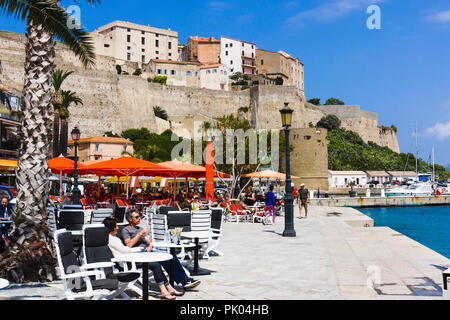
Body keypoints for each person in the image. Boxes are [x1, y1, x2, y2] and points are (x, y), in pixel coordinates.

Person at [103, 218, 182, 300]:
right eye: (115, 226)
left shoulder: (107, 238)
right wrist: (137, 250)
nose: (117, 228)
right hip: (127, 263)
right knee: (156, 265)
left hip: (126, 260)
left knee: (156, 264)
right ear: (110, 227)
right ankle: (164, 290)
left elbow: (124, 250)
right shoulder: (113, 239)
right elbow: (125, 250)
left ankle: (169, 288)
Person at [121, 211, 201, 291]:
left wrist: (150, 246)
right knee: (163, 260)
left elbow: (149, 241)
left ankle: (185, 280)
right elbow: (129, 245)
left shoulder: (140, 228)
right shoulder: (126, 230)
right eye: (137, 217)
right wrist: (140, 234)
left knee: (171, 257)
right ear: (130, 219)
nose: (139, 219)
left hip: (148, 252)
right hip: (138, 254)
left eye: (139, 216)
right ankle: (183, 281)